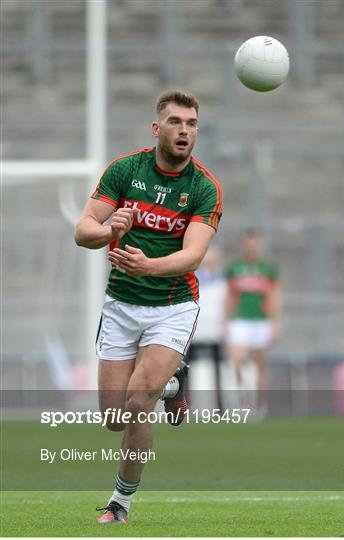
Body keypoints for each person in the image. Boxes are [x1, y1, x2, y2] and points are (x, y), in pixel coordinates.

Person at [74, 90, 223, 524]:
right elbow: (83, 230)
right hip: (121, 304)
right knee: (115, 419)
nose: (184, 131)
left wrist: (148, 266)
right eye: (176, 122)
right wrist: (109, 231)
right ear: (157, 129)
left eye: (192, 124)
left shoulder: (203, 187)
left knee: (140, 400)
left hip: (173, 305)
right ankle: (174, 384)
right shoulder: (125, 170)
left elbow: (193, 256)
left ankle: (120, 504)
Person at [225, 230, 281, 418]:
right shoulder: (235, 267)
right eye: (249, 244)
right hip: (240, 320)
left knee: (260, 365)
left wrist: (276, 323)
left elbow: (274, 296)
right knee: (237, 360)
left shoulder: (267, 269)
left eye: (255, 244)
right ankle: (242, 399)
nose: (252, 247)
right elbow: (229, 296)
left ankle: (259, 405)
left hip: (261, 321)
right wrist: (225, 321)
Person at [186, 247, 227, 411]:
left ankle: (220, 407)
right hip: (194, 330)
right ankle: (184, 406)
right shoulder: (193, 278)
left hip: (214, 330)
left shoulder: (222, 280)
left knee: (218, 370)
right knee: (185, 370)